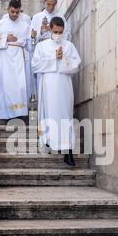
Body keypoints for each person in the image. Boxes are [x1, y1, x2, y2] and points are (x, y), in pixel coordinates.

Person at [32, 17, 81, 167]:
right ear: (50, 30)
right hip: (48, 86)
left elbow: (76, 65)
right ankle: (49, 142)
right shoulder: (42, 46)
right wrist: (54, 59)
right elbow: (35, 66)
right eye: (55, 32)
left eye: (61, 32)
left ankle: (68, 151)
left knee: (65, 115)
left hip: (64, 86)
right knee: (50, 115)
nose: (58, 35)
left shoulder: (69, 46)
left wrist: (63, 59)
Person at [0, 0, 30, 120]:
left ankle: (21, 113)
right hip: (4, 57)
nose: (14, 14)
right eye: (12, 11)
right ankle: (6, 115)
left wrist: (32, 37)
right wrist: (6, 38)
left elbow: (29, 44)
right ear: (8, 10)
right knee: (6, 85)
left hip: (18, 57)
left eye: (17, 12)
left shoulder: (25, 25)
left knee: (20, 85)